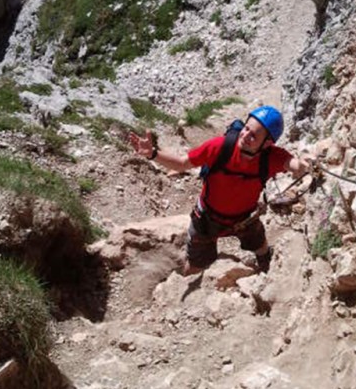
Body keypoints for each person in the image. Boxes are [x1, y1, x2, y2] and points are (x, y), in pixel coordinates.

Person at [129, 105, 312, 276]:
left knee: (260, 246)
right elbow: (181, 163)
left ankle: (266, 267)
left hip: (245, 218)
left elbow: (292, 164)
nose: (245, 135)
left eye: (253, 135)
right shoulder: (220, 147)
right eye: (246, 128)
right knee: (194, 268)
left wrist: (302, 164)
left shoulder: (270, 158)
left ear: (267, 143)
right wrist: (153, 154)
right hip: (208, 217)